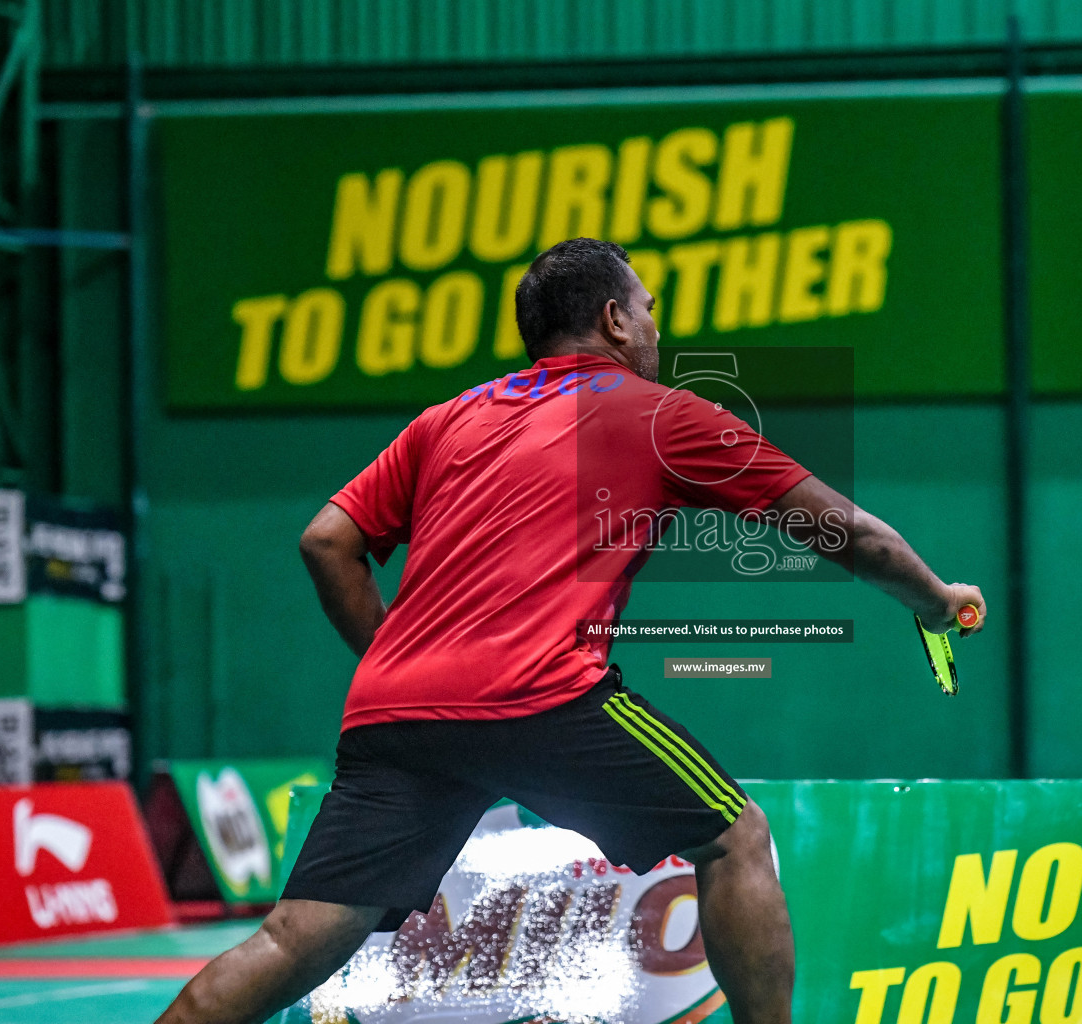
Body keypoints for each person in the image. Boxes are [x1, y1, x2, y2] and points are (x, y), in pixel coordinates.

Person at [156, 237, 984, 1024]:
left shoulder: (447, 419)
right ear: (617, 321)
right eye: (649, 308)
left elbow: (326, 540)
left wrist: (395, 660)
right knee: (736, 840)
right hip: (540, 696)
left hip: (396, 719)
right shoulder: (661, 413)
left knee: (292, 938)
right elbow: (850, 532)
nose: (658, 327)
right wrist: (935, 601)